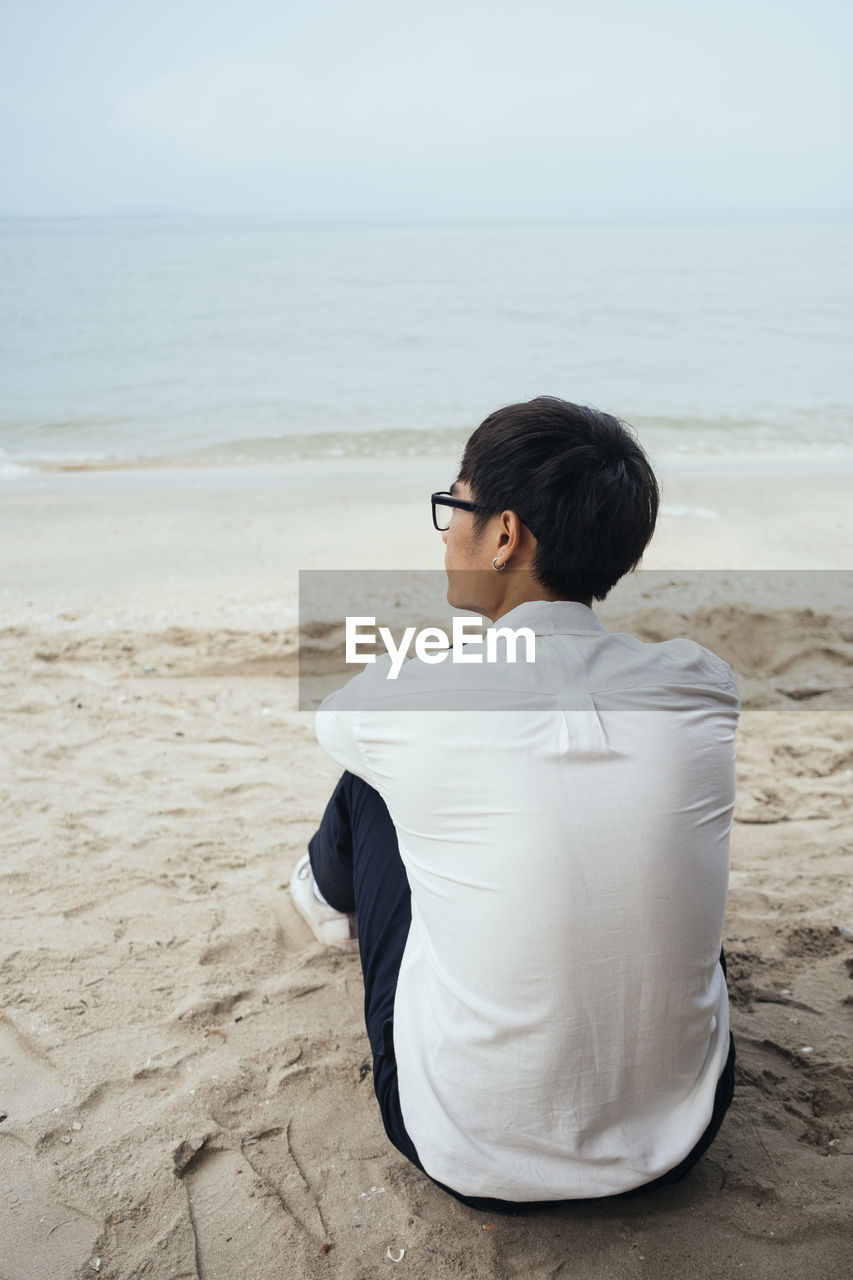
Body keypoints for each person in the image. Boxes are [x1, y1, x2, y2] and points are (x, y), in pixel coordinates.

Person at [290, 396, 739, 1208]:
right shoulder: (700, 684)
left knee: (372, 784)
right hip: (679, 1140)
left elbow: (339, 726)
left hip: (467, 1147)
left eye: (452, 507)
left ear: (503, 534)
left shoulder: (406, 691)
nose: (444, 532)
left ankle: (321, 896)